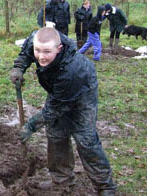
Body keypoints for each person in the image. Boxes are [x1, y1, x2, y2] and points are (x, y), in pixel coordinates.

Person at [10, 27, 116, 195]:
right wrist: (18, 68)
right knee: (55, 133)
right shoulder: (36, 39)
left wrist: (31, 126)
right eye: (37, 51)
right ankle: (62, 179)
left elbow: (54, 108)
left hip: (82, 92)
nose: (41, 56)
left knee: (86, 139)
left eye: (47, 52)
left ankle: (105, 186)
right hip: (58, 89)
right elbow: (26, 54)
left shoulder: (72, 69)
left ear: (59, 49)